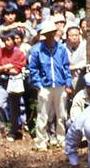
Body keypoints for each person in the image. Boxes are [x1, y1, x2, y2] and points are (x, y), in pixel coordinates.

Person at [27, 18, 71, 149]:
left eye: (52, 33)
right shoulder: (37, 50)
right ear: (44, 35)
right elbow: (33, 69)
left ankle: (61, 138)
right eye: (47, 33)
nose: (50, 36)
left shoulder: (61, 48)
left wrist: (68, 83)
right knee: (43, 114)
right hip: (45, 86)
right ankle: (41, 141)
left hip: (60, 84)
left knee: (61, 114)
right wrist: (39, 85)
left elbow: (66, 66)